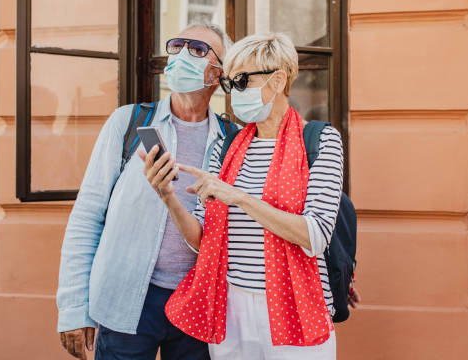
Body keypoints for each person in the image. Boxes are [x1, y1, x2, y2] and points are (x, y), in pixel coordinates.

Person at [142, 32, 345, 359]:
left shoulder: (321, 141)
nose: (232, 93)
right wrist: (167, 196)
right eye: (229, 84)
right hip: (232, 309)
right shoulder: (226, 147)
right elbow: (202, 240)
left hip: (294, 305)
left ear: (278, 81)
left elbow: (315, 235)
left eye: (241, 82)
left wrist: (239, 197)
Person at [56, 22, 234, 360]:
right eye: (178, 45)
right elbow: (87, 215)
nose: (183, 54)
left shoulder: (232, 139)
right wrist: (74, 308)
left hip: (198, 302)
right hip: (127, 299)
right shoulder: (130, 123)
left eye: (197, 49)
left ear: (218, 73)